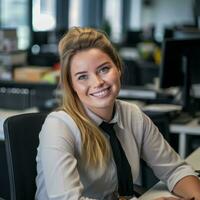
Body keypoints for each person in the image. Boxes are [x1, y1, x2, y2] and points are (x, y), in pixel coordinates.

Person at [35, 27, 200, 200]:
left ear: (118, 68)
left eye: (104, 69)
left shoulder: (132, 115)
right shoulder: (59, 127)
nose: (97, 82)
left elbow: (175, 169)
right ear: (72, 86)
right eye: (82, 77)